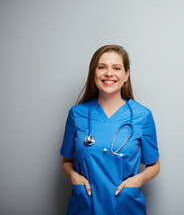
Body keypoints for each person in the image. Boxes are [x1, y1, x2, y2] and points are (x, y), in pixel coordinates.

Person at [60, 45, 160, 215]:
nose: (108, 73)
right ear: (94, 73)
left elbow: (154, 165)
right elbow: (66, 162)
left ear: (126, 75)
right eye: (102, 67)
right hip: (85, 206)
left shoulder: (142, 116)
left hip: (125, 206)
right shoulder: (77, 114)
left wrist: (137, 181)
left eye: (116, 68)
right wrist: (73, 176)